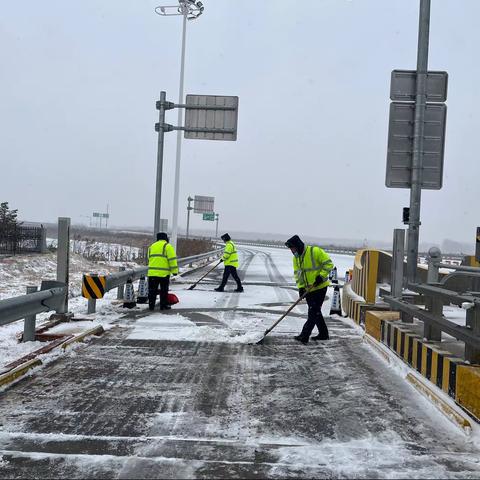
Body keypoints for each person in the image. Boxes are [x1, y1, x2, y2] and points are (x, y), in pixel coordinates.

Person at [285, 234, 334, 344]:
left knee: (312, 312)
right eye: (291, 249)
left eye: (293, 248)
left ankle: (304, 335)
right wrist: (301, 288)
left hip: (320, 287)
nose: (292, 251)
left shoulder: (315, 251)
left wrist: (321, 276)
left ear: (299, 246)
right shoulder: (296, 259)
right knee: (316, 312)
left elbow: (329, 264)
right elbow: (298, 275)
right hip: (309, 289)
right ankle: (324, 334)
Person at [147, 232, 178, 311]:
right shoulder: (167, 246)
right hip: (163, 274)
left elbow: (149, 258)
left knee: (152, 291)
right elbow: (172, 260)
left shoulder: (152, 246)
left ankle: (151, 306)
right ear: (166, 238)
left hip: (152, 273)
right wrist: (174, 271)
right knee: (163, 290)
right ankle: (163, 306)